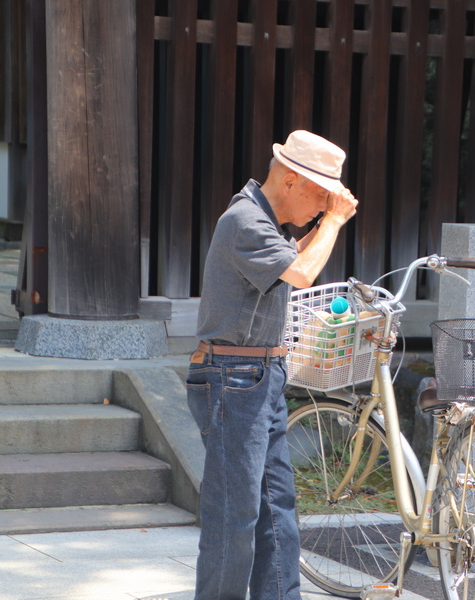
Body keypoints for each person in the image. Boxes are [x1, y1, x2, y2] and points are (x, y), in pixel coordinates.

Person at [186, 130, 358, 600]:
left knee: (276, 507)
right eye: (320, 195)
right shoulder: (244, 220)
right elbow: (302, 275)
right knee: (234, 514)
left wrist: (323, 223)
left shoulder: (267, 223)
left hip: (259, 376)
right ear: (289, 182)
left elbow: (293, 265)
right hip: (232, 377)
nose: (324, 207)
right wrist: (335, 223)